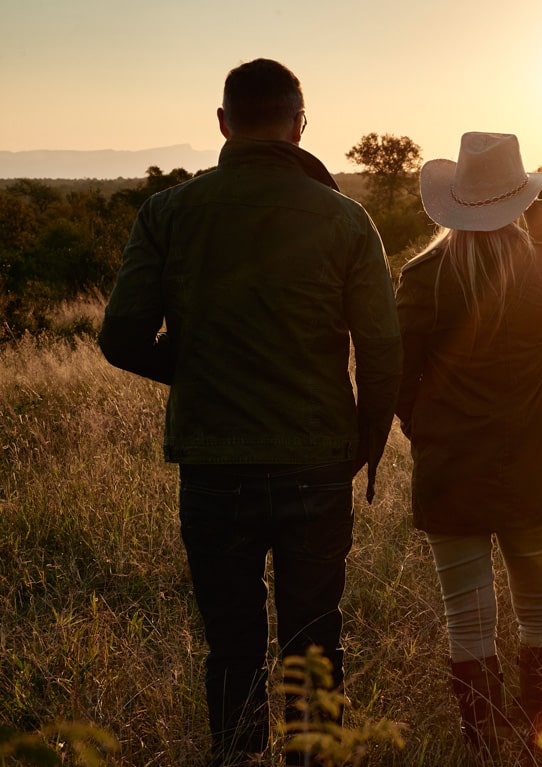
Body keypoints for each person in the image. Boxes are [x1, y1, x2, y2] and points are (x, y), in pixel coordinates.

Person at [98, 59, 403, 766]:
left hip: (214, 468)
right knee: (314, 647)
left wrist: (200, 366)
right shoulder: (346, 218)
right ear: (300, 125)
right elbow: (383, 349)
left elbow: (119, 338)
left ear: (224, 123)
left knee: (232, 647)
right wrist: (366, 447)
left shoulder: (168, 212)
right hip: (316, 463)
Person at [394, 132, 542, 762]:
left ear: (454, 202)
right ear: (519, 201)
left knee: (465, 618)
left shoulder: (422, 277)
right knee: (541, 610)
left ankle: (481, 745)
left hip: (451, 470)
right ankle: (541, 739)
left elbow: (399, 377)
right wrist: (535, 204)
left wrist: (427, 430)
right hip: (534, 465)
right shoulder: (541, 269)